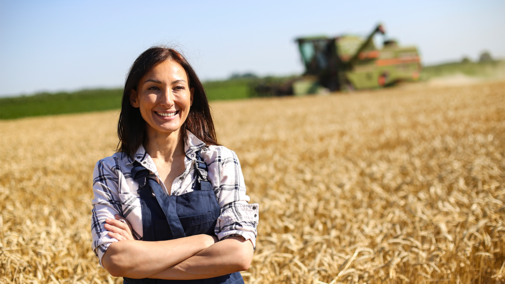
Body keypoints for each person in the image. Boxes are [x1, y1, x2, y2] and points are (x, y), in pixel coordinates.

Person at [91, 46, 259, 283]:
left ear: (191, 95)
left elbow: (239, 254)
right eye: (153, 89)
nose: (167, 100)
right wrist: (205, 241)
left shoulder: (220, 161)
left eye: (177, 88)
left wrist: (140, 262)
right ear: (134, 98)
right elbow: (116, 260)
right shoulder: (112, 170)